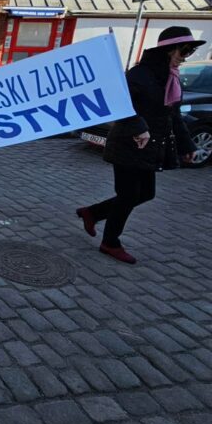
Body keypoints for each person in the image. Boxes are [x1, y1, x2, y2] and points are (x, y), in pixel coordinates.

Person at [76, 26, 204, 263]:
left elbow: (173, 116)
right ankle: (110, 242)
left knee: (146, 193)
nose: (186, 57)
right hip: (127, 144)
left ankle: (92, 213)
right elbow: (120, 104)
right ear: (168, 50)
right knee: (127, 195)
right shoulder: (140, 74)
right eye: (184, 51)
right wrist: (139, 127)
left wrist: (187, 146)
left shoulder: (170, 78)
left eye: (190, 52)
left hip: (151, 146)